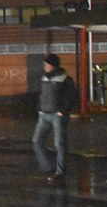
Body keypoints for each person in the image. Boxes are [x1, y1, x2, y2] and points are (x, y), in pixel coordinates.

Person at [32, 53, 77, 184]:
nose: (45, 66)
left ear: (53, 65)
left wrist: (63, 111)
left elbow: (72, 95)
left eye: (47, 64)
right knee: (37, 141)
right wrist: (40, 109)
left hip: (57, 115)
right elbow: (42, 95)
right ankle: (48, 167)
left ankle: (60, 172)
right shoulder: (44, 78)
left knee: (60, 143)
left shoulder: (65, 79)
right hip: (44, 114)